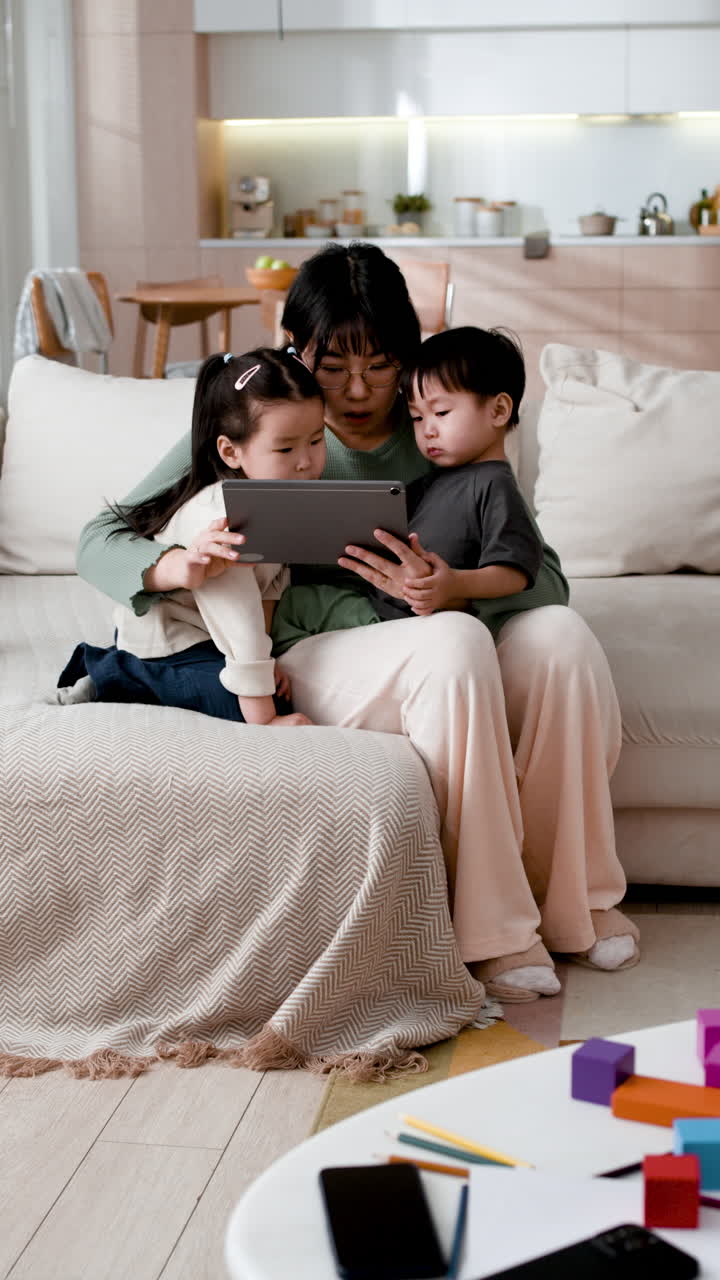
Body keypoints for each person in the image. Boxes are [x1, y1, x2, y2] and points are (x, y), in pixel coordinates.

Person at [76, 242, 639, 1003]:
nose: (358, 388)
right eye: (332, 364)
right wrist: (175, 564)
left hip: (438, 624)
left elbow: (548, 578)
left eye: (380, 364)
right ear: (295, 348)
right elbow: (102, 539)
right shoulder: (263, 413)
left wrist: (450, 587)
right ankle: (495, 932)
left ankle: (578, 905)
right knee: (452, 645)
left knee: (561, 640)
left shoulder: (438, 422)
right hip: (310, 649)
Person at [60, 348, 325, 726]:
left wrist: (266, 664)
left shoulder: (282, 495)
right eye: (285, 448)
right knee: (248, 706)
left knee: (266, 687)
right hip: (169, 639)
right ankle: (113, 672)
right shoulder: (224, 519)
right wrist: (264, 718)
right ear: (230, 452)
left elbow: (269, 592)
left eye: (316, 440)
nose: (306, 461)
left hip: (209, 637)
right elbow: (238, 614)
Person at [363, 325, 569, 637]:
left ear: (498, 410)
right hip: (384, 612)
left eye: (441, 412)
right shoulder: (434, 481)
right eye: (417, 418)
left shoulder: (494, 484)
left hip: (429, 625)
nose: (427, 429)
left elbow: (516, 572)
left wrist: (454, 585)